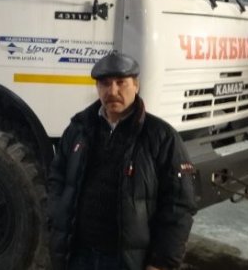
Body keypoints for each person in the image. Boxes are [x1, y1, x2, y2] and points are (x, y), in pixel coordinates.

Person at [48, 52, 197, 270]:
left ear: (136, 85)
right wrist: (56, 220)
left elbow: (179, 206)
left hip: (127, 261)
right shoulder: (79, 129)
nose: (112, 91)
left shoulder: (161, 137)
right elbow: (57, 177)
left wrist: (161, 263)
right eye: (105, 83)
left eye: (121, 83)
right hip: (78, 256)